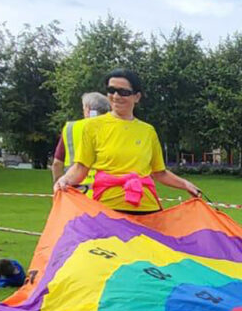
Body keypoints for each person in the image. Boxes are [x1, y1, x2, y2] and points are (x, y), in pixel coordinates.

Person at [53, 70, 201, 211]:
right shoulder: (92, 127)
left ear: (137, 97)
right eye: (111, 90)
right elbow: (80, 169)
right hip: (107, 209)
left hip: (146, 208)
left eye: (123, 92)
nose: (116, 96)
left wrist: (185, 184)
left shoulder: (148, 131)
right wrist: (64, 180)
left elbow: (159, 173)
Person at [49, 91, 110, 184]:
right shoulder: (115, 128)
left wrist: (58, 186)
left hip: (76, 190)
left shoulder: (70, 128)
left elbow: (57, 164)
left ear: (87, 109)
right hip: (105, 190)